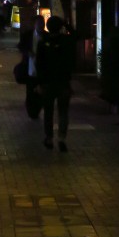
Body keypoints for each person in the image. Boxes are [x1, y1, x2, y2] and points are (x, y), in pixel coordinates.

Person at [36, 15, 76, 152]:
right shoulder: (67, 41)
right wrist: (66, 24)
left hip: (47, 83)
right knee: (63, 111)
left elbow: (39, 65)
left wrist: (40, 83)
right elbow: (76, 35)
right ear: (60, 27)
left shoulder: (43, 43)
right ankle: (62, 138)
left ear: (48, 27)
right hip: (63, 82)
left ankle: (49, 138)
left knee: (48, 111)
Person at [17, 14, 46, 119]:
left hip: (43, 70)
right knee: (30, 91)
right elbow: (20, 46)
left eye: (42, 23)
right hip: (30, 68)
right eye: (39, 23)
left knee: (41, 92)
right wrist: (27, 52)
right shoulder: (28, 35)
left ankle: (37, 109)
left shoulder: (46, 36)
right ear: (34, 24)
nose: (41, 25)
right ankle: (31, 111)